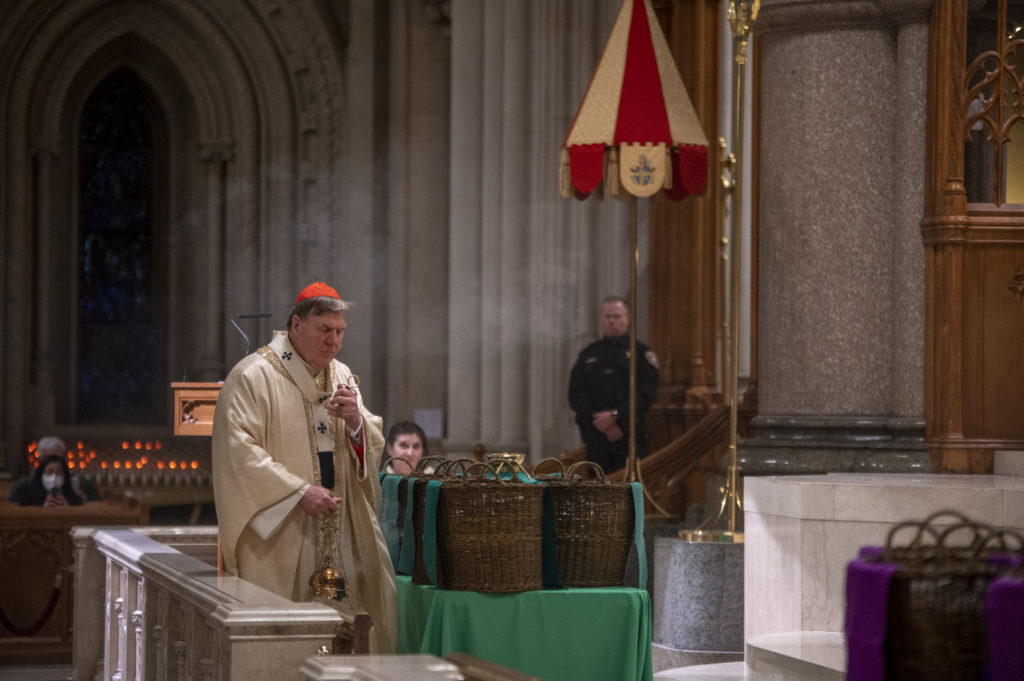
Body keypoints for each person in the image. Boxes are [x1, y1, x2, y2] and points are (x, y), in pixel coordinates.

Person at [211, 281, 396, 653]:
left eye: (340, 331)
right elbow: (239, 452)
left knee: (344, 631)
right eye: (325, 330)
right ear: (296, 326)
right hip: (283, 531)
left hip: (338, 526)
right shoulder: (252, 376)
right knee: (285, 640)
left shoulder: (342, 375)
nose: (335, 342)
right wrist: (297, 493)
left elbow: (370, 435)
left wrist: (356, 422)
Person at [568, 296, 659, 474]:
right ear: (601, 319)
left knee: (628, 493)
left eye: (617, 316)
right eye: (607, 316)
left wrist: (616, 416)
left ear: (627, 319)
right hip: (596, 436)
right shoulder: (589, 354)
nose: (611, 321)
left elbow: (646, 394)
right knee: (597, 492)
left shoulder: (641, 354)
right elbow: (576, 393)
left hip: (629, 435)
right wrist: (601, 422)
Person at [8, 436, 101, 505]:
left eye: (56, 458)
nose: (52, 463)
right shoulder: (24, 486)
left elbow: (97, 510)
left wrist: (81, 504)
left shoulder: (83, 485)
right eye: (47, 460)